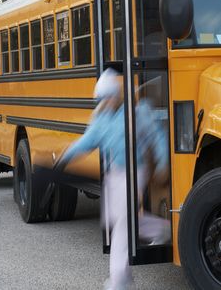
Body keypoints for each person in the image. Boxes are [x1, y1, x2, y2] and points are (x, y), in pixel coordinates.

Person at [54, 68, 170, 290]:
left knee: (122, 226)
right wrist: (64, 157)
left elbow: (158, 137)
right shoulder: (100, 118)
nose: (104, 103)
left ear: (116, 96)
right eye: (101, 100)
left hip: (137, 171)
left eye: (107, 98)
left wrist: (163, 163)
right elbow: (86, 142)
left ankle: (119, 281)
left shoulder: (138, 112)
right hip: (114, 173)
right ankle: (162, 230)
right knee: (117, 220)